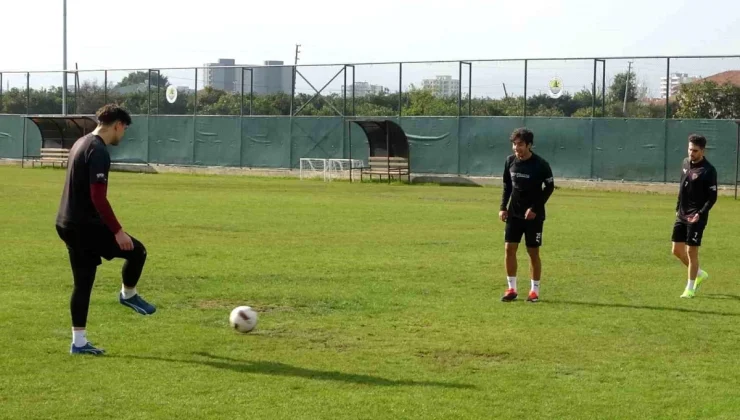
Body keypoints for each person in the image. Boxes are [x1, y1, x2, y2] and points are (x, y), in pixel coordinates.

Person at [56, 104, 156, 355]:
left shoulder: (81, 142)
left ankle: (79, 343)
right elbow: (98, 198)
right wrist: (117, 231)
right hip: (84, 225)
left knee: (83, 283)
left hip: (66, 222)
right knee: (137, 251)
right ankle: (128, 295)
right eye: (124, 130)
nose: (122, 136)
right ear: (118, 125)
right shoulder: (98, 150)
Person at [499, 128, 555, 303]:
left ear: (529, 145)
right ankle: (512, 289)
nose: (517, 148)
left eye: (520, 144)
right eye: (514, 145)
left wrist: (535, 209)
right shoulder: (509, 162)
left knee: (532, 252)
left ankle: (534, 291)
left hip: (533, 217)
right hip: (514, 214)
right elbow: (507, 186)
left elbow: (549, 187)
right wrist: (503, 207)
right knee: (509, 249)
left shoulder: (541, 164)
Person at [672, 134, 717, 299]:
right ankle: (699, 273)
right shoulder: (685, 163)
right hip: (682, 214)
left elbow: (712, 198)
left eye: (695, 151)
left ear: (703, 151)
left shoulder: (708, 171)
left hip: (697, 217)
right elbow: (682, 187)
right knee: (676, 250)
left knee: (691, 252)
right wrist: (678, 207)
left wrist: (700, 214)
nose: (691, 153)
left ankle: (690, 289)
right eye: (690, 149)